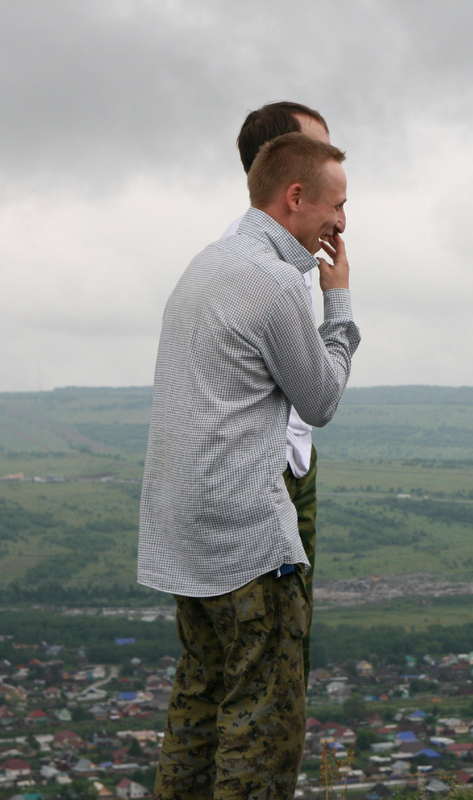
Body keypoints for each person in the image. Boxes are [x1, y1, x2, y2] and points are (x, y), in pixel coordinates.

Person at [139, 132, 359, 800]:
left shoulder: (206, 263)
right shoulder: (272, 282)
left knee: (199, 709)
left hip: (184, 534)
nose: (342, 221)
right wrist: (339, 303)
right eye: (336, 204)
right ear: (296, 197)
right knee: (262, 732)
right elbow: (320, 399)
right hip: (247, 542)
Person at [225, 101, 331, 682]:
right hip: (269, 477)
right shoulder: (265, 268)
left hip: (279, 463)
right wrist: (340, 303)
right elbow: (317, 398)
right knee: (271, 665)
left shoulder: (261, 255)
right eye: (319, 153)